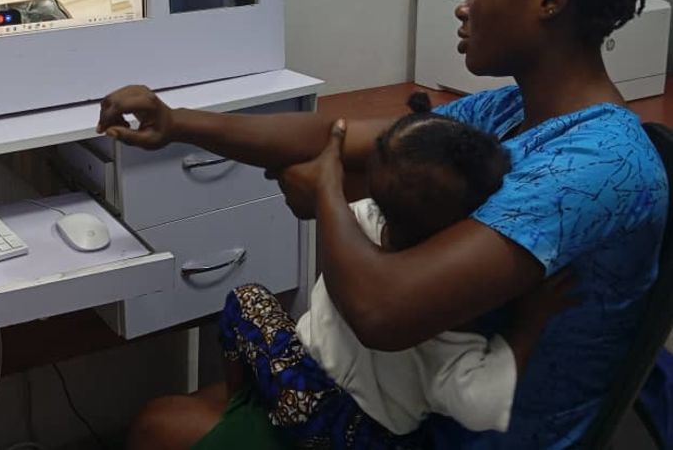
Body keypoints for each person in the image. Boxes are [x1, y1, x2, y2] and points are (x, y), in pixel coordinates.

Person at [98, 0, 668, 449]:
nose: (462, 7)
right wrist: (177, 123)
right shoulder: (508, 110)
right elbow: (337, 134)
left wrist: (328, 194)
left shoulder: (598, 165)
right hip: (411, 399)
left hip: (462, 434)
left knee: (158, 429)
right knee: (175, 416)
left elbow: (381, 313)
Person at [219, 98, 576, 449]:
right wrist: (530, 325)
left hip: (304, 398)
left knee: (246, 298)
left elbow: (323, 195)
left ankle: (240, 403)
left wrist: (328, 178)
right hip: (370, 439)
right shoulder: (450, 300)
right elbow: (480, 407)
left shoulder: (355, 222)